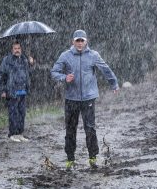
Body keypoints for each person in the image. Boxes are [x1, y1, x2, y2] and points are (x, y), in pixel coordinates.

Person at [51, 29, 119, 170]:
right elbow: (54, 72)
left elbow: (105, 69)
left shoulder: (93, 55)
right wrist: (64, 78)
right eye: (77, 40)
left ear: (86, 41)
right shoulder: (66, 56)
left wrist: (114, 83)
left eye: (82, 40)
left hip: (88, 98)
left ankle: (93, 158)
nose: (80, 43)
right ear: (73, 41)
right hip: (71, 99)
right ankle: (70, 159)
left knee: (90, 128)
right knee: (70, 130)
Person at [0, 41, 34, 142]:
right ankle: (12, 134)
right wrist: (3, 90)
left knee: (22, 113)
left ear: (21, 50)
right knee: (13, 113)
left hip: (23, 91)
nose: (17, 50)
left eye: (19, 48)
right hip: (11, 91)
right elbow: (1, 75)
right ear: (12, 50)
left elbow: (29, 74)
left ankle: (20, 133)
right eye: (15, 48)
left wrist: (31, 64)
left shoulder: (24, 59)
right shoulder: (7, 60)